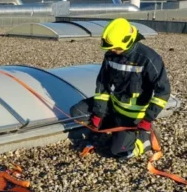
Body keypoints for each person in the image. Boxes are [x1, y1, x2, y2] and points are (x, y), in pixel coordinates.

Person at [71, 18, 171, 159]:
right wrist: (98, 113)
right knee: (77, 112)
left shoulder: (149, 59)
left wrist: (147, 118)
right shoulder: (111, 56)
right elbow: (102, 85)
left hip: (133, 116)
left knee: (120, 152)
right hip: (113, 107)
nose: (112, 50)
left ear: (127, 42)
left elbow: (163, 91)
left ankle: (145, 139)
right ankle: (110, 128)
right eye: (110, 47)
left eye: (115, 47)